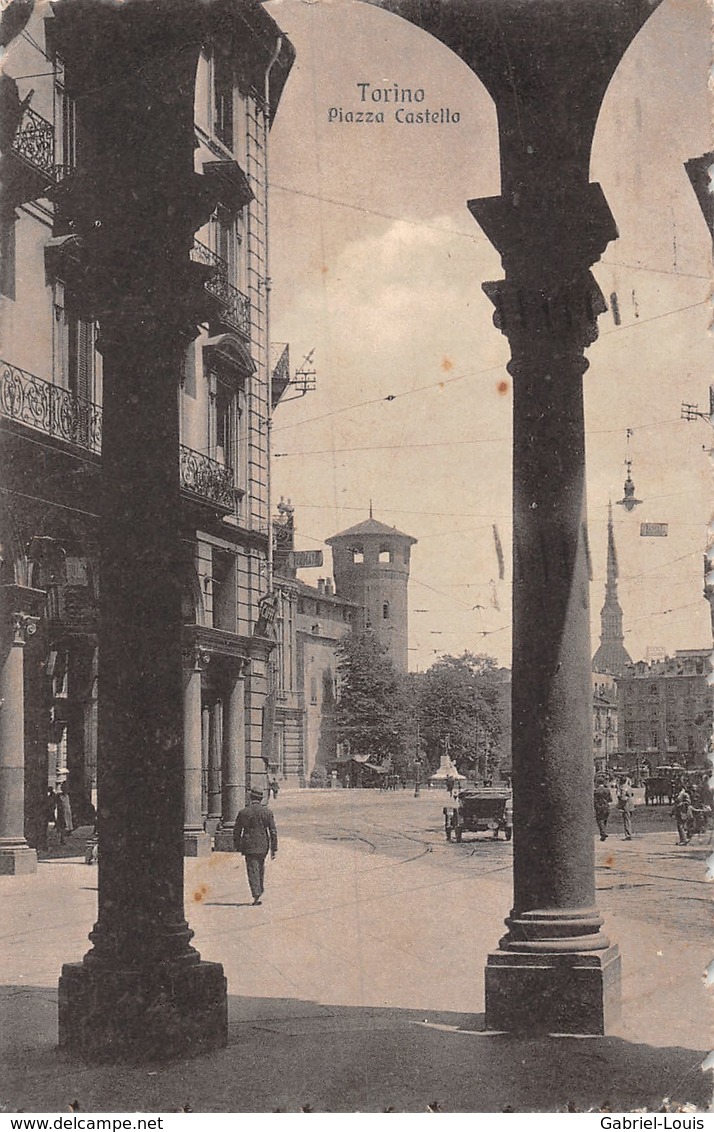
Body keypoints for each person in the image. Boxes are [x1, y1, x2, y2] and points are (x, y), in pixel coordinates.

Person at [233, 787, 278, 905]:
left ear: (251, 797)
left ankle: (256, 893)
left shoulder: (244, 812)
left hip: (249, 845)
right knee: (260, 868)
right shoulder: (267, 812)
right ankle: (259, 890)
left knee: (252, 869)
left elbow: (237, 830)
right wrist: (274, 848)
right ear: (261, 798)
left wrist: (237, 845)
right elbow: (273, 831)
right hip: (263, 845)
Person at [672, 781, 693, 846]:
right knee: (680, 826)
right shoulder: (678, 794)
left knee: (681, 826)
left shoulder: (684, 794)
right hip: (679, 812)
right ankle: (683, 839)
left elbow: (688, 802)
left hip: (684, 812)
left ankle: (684, 840)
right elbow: (675, 804)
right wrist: (672, 812)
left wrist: (681, 804)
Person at [593, 777, 613, 841]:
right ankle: (603, 833)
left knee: (599, 820)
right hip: (606, 806)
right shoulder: (607, 790)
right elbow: (610, 799)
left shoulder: (596, 791)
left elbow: (594, 800)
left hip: (599, 807)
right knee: (604, 820)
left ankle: (603, 832)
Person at [617, 776, 634, 840]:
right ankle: (629, 834)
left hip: (626, 806)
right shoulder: (629, 787)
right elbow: (632, 794)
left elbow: (623, 798)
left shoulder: (622, 788)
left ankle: (628, 835)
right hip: (631, 805)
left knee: (626, 821)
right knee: (628, 820)